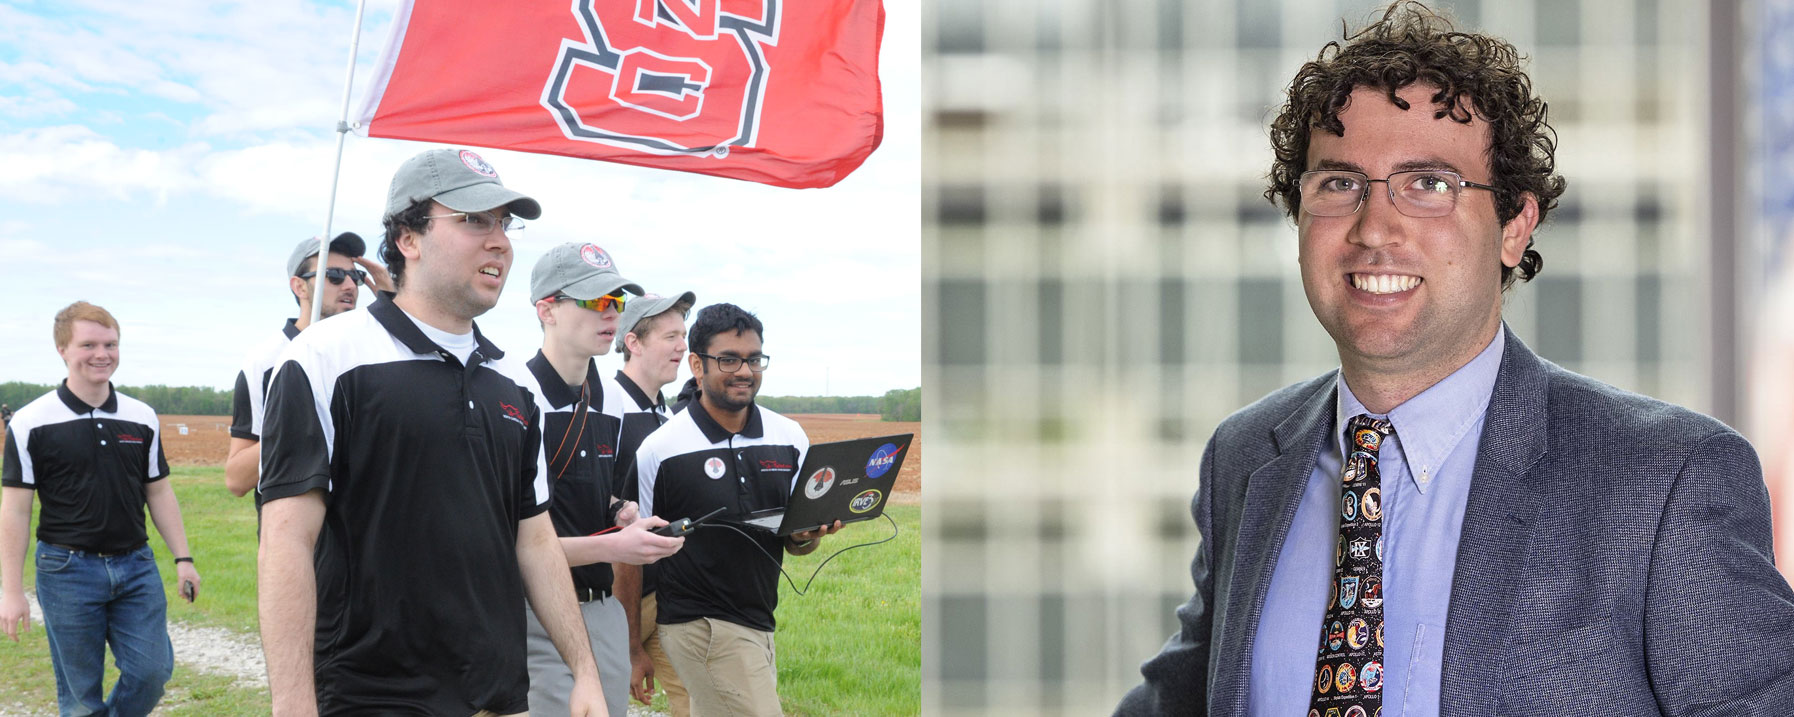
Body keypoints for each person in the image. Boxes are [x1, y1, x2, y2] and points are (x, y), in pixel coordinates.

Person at [1116, 3, 1794, 715]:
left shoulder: (1664, 483)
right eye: (1339, 183)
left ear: (1514, 226)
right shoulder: (1248, 460)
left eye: (1430, 185)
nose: (1375, 228)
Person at [256, 148, 608, 716]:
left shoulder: (513, 382)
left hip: (496, 696)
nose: (500, 241)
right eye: (473, 220)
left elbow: (535, 539)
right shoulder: (326, 358)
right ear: (408, 239)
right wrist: (293, 705)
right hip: (372, 696)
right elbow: (286, 541)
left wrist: (584, 670)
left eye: (503, 223)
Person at [506, 241, 687, 717]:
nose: (611, 314)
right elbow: (503, 538)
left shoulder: (608, 399)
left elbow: (578, 492)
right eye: (594, 301)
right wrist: (614, 547)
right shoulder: (511, 399)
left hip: (602, 607)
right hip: (532, 613)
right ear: (547, 309)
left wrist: (616, 512)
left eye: (617, 301)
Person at [634, 303, 841, 717]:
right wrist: (630, 645)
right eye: (728, 359)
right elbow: (632, 555)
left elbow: (797, 541)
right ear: (697, 364)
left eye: (753, 359)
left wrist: (807, 535)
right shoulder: (661, 449)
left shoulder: (789, 437)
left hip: (759, 620)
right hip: (700, 625)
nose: (744, 371)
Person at [1, 301, 202, 716]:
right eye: (88, 344)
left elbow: (159, 492)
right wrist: (11, 590)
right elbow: (16, 511)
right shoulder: (30, 421)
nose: (102, 354)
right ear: (63, 350)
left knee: (152, 671)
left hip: (136, 567)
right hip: (65, 571)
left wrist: (183, 558)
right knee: (79, 696)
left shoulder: (141, 417)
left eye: (110, 344)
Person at [225, 233, 392, 499]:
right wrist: (298, 421)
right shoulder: (266, 363)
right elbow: (236, 479)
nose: (350, 285)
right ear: (299, 287)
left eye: (356, 276)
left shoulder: (374, 351)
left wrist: (395, 304)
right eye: (335, 275)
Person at [607, 288, 698, 716]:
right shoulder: (607, 410)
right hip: (613, 600)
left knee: (698, 703)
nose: (683, 346)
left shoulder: (668, 418)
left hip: (665, 598)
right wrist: (628, 643)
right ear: (634, 342)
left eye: (684, 335)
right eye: (670, 336)